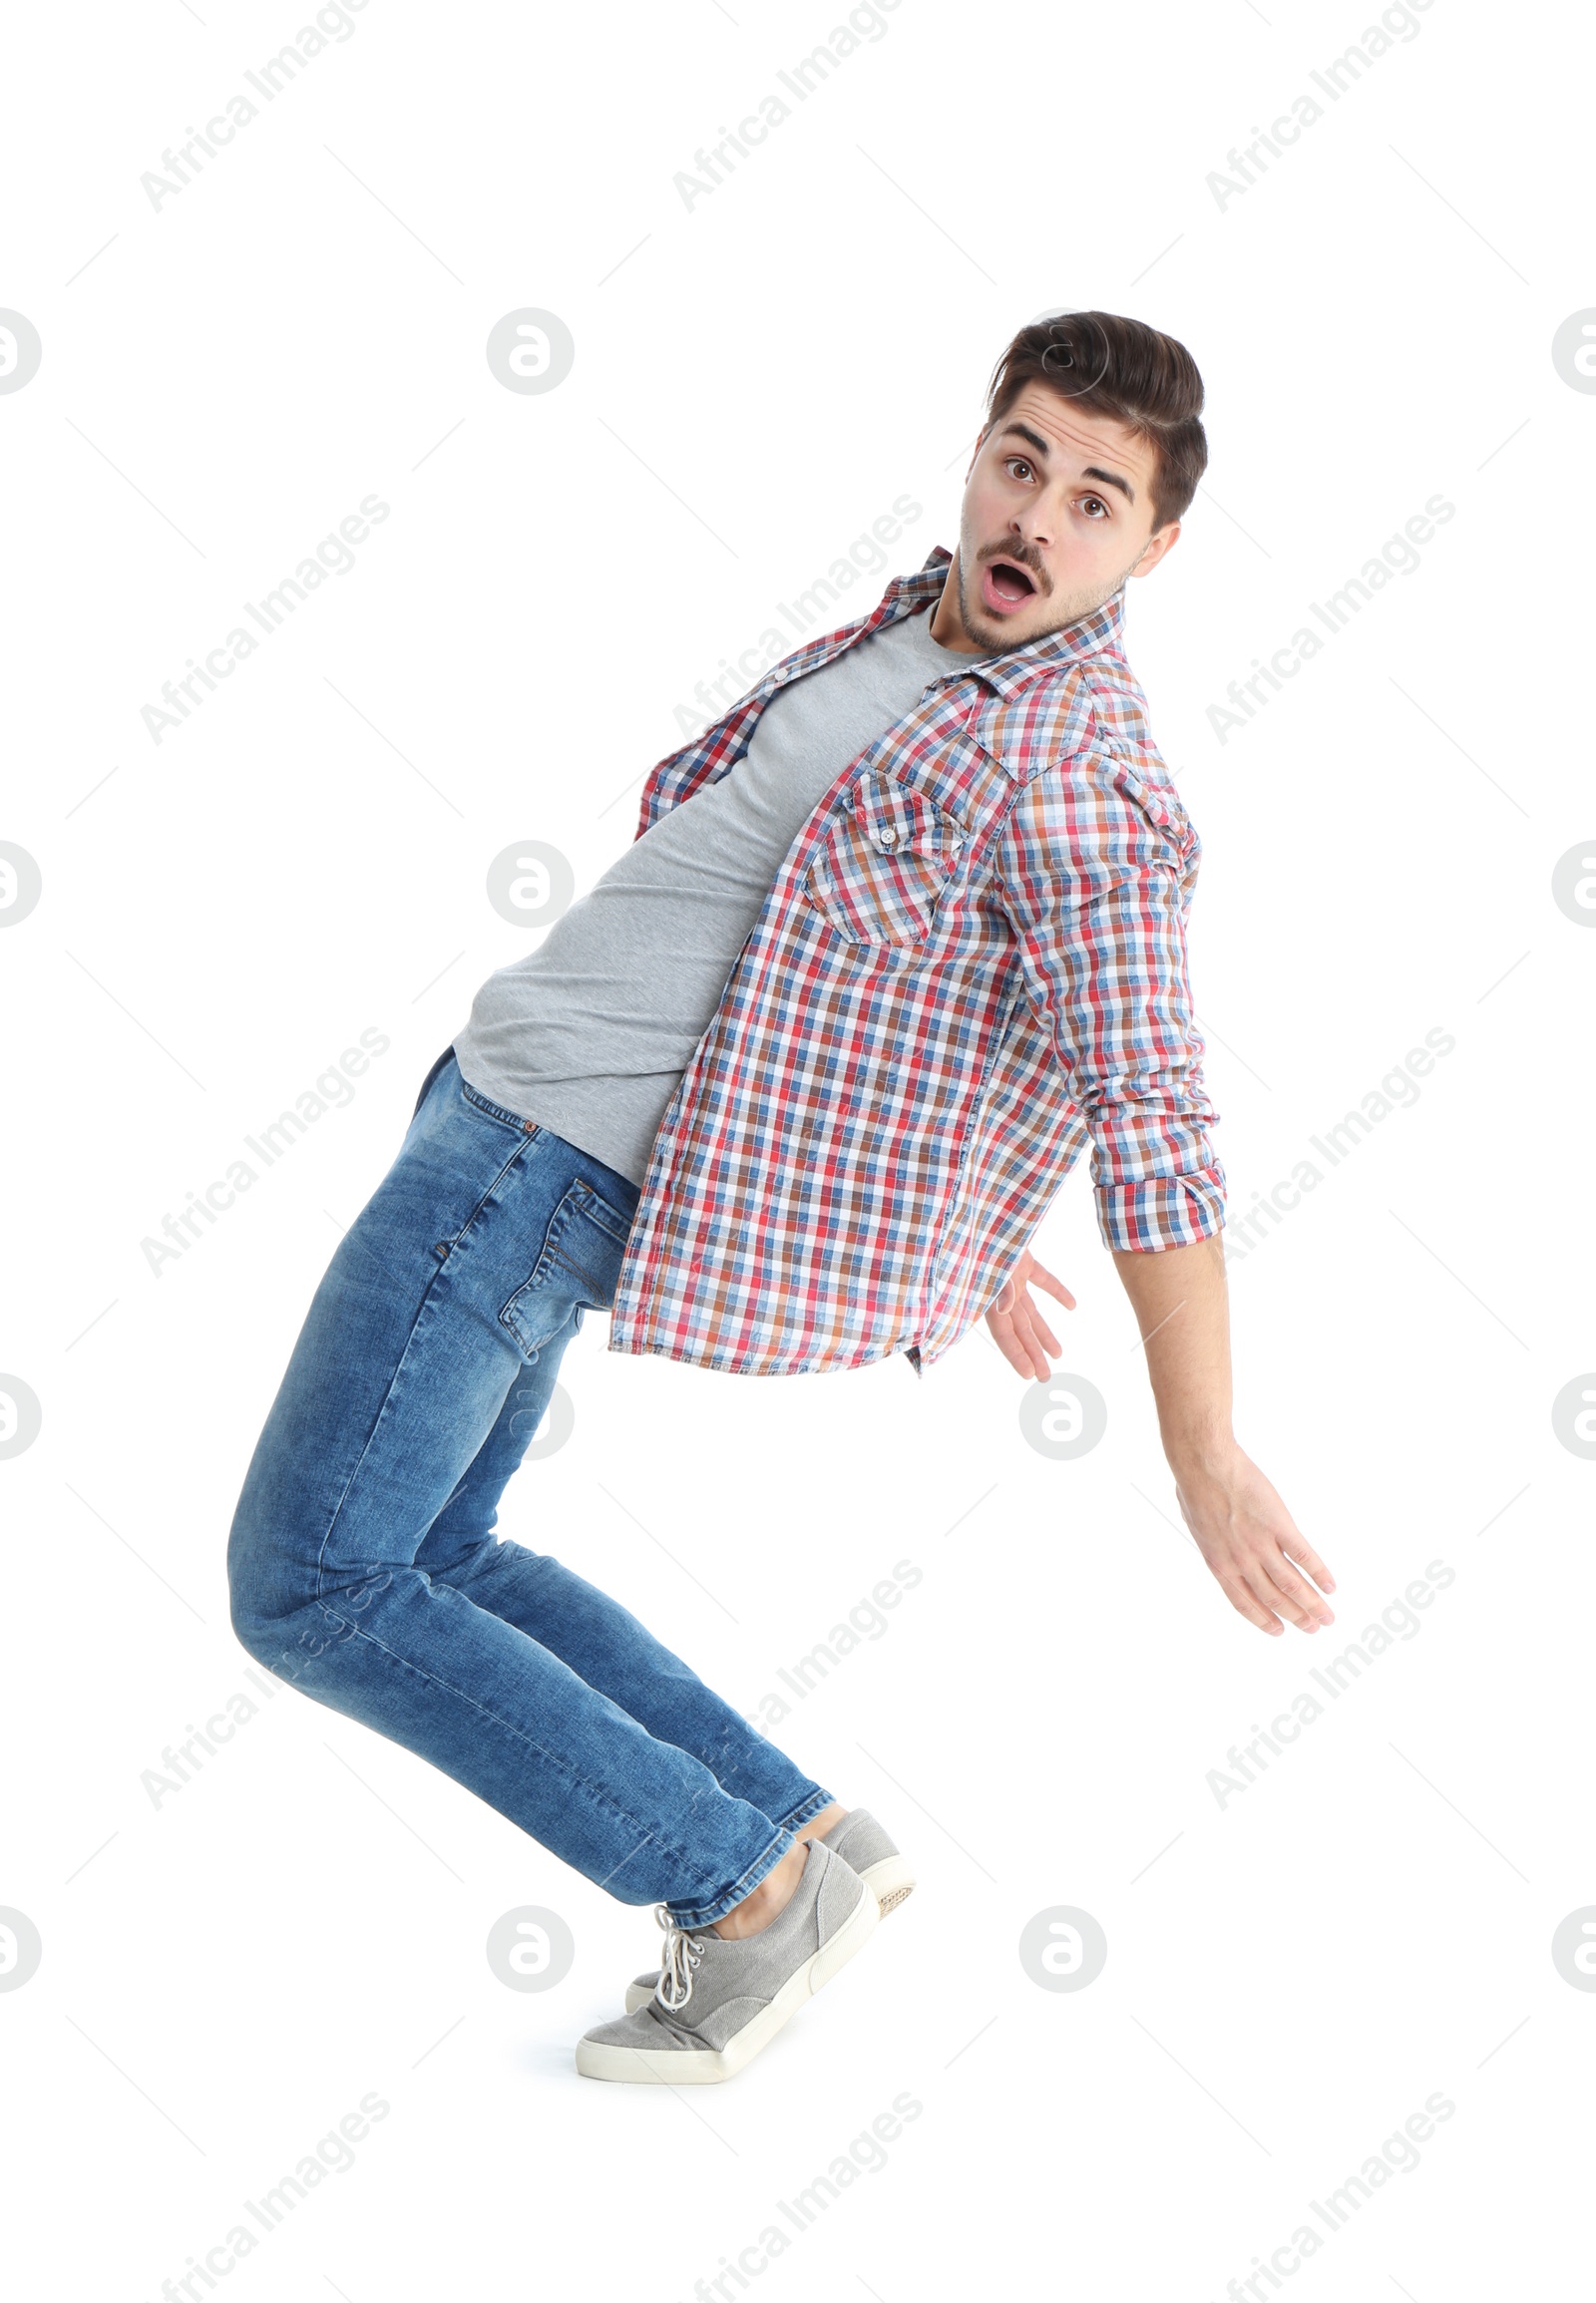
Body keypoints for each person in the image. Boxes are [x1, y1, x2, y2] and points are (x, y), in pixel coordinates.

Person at [226, 309, 1336, 2086]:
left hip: (530, 1167)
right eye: (1023, 459)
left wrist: (1201, 1443)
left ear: (1158, 546)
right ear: (983, 449)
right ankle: (797, 1830)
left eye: (1098, 499)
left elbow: (1154, 1109)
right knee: (433, 1552)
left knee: (310, 1582)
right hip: (500, 1119)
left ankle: (736, 1888)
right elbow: (886, 990)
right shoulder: (928, 622)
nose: (1039, 514)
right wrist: (964, 1219)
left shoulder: (1084, 772)